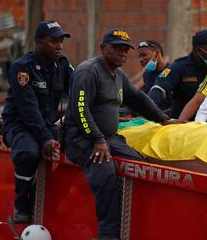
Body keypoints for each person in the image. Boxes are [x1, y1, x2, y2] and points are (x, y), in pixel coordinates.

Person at [63, 29, 172, 240]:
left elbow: (137, 98)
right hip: (81, 137)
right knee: (105, 173)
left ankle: (135, 225)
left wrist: (164, 119)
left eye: (125, 49)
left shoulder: (119, 75)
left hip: (108, 138)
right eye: (117, 48)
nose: (122, 53)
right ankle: (108, 234)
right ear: (103, 48)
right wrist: (97, 139)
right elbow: (80, 111)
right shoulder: (88, 71)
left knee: (141, 168)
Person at [1, 20, 73, 223]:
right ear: (39, 43)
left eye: (61, 41)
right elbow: (28, 109)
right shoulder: (22, 68)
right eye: (53, 41)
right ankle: (21, 205)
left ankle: (59, 203)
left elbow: (77, 92)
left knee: (75, 147)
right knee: (28, 154)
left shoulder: (63, 64)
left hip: (47, 124)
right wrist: (45, 139)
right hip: (19, 123)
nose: (59, 46)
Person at [148, 29, 207, 119]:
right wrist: (148, 110)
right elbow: (158, 89)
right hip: (183, 125)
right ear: (199, 51)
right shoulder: (180, 67)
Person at [137, 40, 171, 110]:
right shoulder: (147, 75)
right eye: (139, 57)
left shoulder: (172, 71)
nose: (141, 59)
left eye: (144, 55)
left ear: (157, 53)